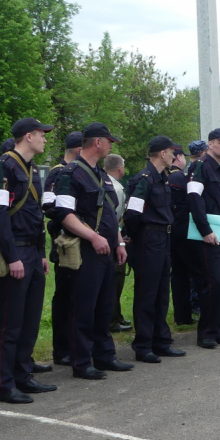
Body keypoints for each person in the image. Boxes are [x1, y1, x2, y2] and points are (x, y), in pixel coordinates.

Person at [0, 117, 57, 403]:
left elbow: (35, 215)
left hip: (31, 251)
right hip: (13, 251)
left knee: (29, 320)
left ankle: (23, 375)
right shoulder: (4, 166)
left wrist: (40, 253)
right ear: (28, 136)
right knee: (9, 322)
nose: (45, 139)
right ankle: (5, 384)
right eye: (42, 134)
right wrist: (12, 256)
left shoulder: (30, 169)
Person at [51, 122, 131, 378]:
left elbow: (107, 211)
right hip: (85, 249)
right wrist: (93, 237)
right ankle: (82, 361)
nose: (110, 146)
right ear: (97, 142)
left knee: (105, 306)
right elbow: (63, 213)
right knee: (83, 307)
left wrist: (117, 241)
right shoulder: (71, 173)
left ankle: (104, 356)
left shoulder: (99, 173)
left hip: (106, 249)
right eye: (109, 141)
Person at [124, 135, 186, 362]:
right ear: (162, 153)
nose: (174, 156)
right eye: (172, 152)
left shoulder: (162, 178)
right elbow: (132, 214)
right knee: (147, 293)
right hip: (148, 239)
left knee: (162, 292)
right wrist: (139, 236)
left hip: (163, 238)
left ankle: (161, 341)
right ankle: (143, 345)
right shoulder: (145, 179)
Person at [186, 128, 220, 349]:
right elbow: (193, 198)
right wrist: (205, 229)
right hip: (208, 236)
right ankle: (206, 333)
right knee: (212, 283)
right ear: (210, 144)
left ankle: (218, 330)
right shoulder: (200, 167)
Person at [45, 131, 82, 367]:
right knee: (66, 296)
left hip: (82, 241)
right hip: (66, 241)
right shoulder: (57, 173)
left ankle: (76, 344)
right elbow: (48, 206)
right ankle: (62, 348)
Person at [168, 141, 205, 326]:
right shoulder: (182, 178)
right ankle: (204, 311)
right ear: (180, 157)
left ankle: (182, 316)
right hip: (185, 228)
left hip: (170, 230)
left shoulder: (165, 176)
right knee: (198, 271)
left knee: (178, 274)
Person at [105, 153, 132, 334]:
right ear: (120, 169)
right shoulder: (117, 188)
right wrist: (121, 239)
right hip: (115, 238)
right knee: (116, 280)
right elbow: (117, 217)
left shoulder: (101, 182)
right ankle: (113, 319)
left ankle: (117, 316)